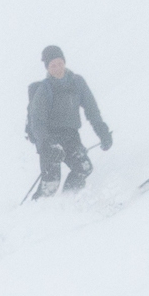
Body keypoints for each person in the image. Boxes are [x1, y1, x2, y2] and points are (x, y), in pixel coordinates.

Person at [25, 45, 112, 197]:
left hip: (70, 136)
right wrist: (47, 144)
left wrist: (102, 131)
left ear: (64, 62)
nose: (58, 68)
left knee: (83, 168)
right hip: (48, 139)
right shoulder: (44, 90)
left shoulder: (77, 82)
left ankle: (68, 202)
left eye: (60, 63)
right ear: (47, 68)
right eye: (53, 65)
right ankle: (34, 213)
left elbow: (92, 110)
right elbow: (37, 122)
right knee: (51, 183)